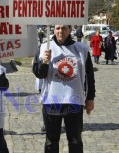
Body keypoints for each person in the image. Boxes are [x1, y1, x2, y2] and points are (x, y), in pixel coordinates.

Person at [32, 25, 95, 153]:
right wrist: (44, 62)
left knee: (75, 140)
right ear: (54, 29)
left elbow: (89, 77)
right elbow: (38, 74)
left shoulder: (81, 49)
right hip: (51, 101)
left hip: (74, 100)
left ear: (70, 29)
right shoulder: (44, 47)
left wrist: (90, 98)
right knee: (51, 141)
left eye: (64, 28)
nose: (60, 31)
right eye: (58, 28)